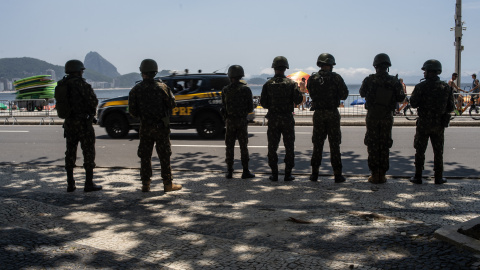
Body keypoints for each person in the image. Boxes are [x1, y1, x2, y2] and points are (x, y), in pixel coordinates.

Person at [128, 59, 182, 192]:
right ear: (155, 71)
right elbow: (172, 105)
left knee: (145, 155)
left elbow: (133, 112)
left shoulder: (136, 90)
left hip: (145, 127)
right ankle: (168, 184)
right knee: (164, 155)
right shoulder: (162, 87)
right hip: (161, 127)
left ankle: (145, 184)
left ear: (142, 72)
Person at [359, 53, 405, 184]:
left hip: (373, 116)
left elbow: (362, 93)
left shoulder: (369, 79)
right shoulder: (394, 81)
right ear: (388, 66)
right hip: (387, 116)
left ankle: (374, 174)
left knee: (372, 144)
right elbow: (401, 98)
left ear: (375, 66)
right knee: (384, 144)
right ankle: (382, 174)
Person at [409, 59, 455, 185]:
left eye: (425, 71)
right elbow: (451, 107)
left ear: (428, 71)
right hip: (439, 124)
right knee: (438, 151)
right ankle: (438, 177)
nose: (424, 73)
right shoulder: (446, 88)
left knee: (420, 150)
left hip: (424, 123)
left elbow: (413, 104)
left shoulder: (420, 87)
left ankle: (418, 176)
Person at [60, 60, 102, 192]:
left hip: (69, 123)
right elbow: (93, 101)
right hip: (83, 124)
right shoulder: (82, 85)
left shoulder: (62, 85)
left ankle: (70, 183)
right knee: (88, 152)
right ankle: (88, 183)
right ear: (78, 71)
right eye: (81, 70)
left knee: (70, 152)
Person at [308, 53, 349, 183]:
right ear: (331, 65)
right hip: (332, 114)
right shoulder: (336, 78)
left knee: (317, 145)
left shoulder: (312, 78)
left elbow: (311, 92)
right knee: (335, 145)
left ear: (319, 64)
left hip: (319, 114)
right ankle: (337, 175)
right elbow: (344, 95)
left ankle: (314, 174)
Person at [260, 56, 303, 181]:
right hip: (287, 118)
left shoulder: (267, 84)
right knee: (289, 146)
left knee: (272, 146)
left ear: (274, 68)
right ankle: (288, 174)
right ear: (285, 68)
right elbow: (298, 100)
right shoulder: (291, 84)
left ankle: (274, 174)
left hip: (273, 118)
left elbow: (263, 103)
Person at [221, 65, 255, 179]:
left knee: (229, 146)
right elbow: (250, 108)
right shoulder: (246, 89)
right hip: (241, 121)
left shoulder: (225, 90)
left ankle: (229, 171)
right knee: (243, 146)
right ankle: (245, 171)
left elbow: (223, 107)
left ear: (230, 75)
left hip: (230, 121)